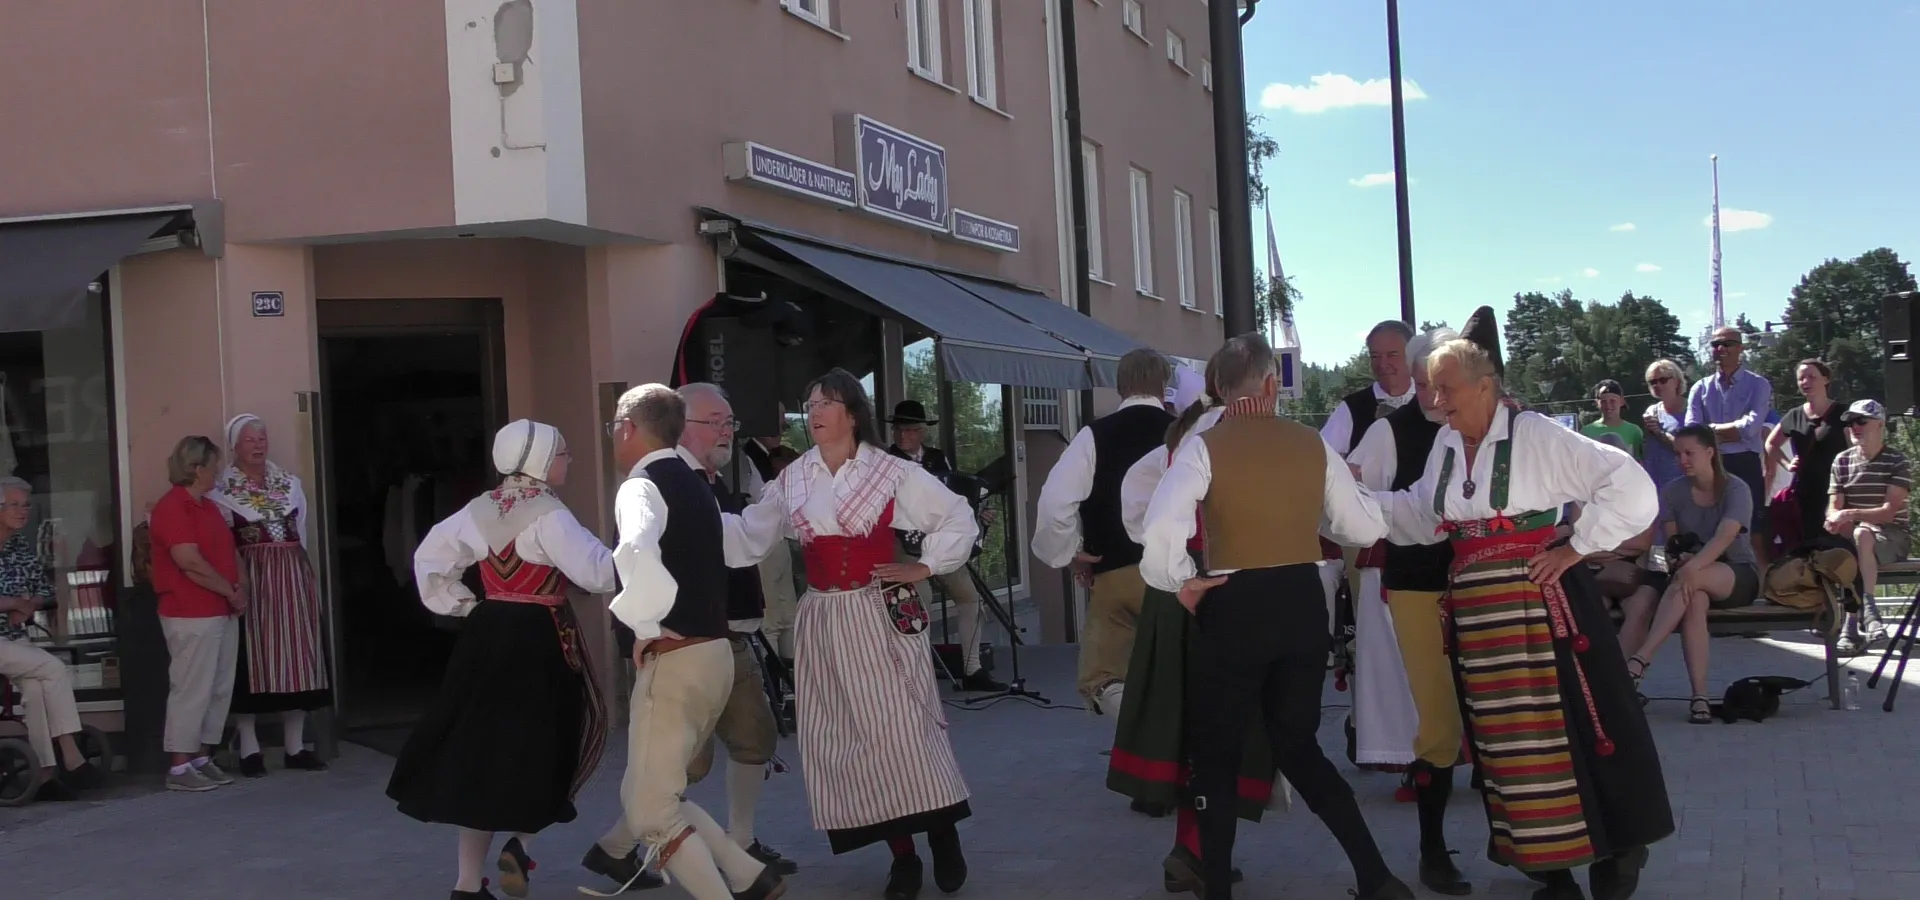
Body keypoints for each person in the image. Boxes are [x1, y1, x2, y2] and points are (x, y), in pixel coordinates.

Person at [1382, 307, 1672, 900]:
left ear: (1486, 386)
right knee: (1508, 743)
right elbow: (1415, 515)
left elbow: (1632, 488)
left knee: (1575, 728)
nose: (1436, 401)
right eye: (1433, 389)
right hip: (1480, 617)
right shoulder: (1443, 444)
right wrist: (1337, 498)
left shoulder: (1536, 434)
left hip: (1543, 610)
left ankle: (1617, 857)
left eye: (1447, 389)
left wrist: (1578, 546)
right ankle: (1553, 870)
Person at [1141, 333, 1413, 900]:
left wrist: (1179, 583)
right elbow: (1361, 528)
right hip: (1299, 600)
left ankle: (1217, 886)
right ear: (1272, 384)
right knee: (1300, 745)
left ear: (1218, 387)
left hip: (1233, 601)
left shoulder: (1203, 446)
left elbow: (1162, 526)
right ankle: (1375, 874)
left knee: (1215, 752)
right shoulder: (1312, 444)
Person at [721, 370, 978, 900]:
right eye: (809, 402)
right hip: (824, 619)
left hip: (878, 612)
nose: (813, 411)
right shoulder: (792, 479)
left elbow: (958, 517)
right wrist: (691, 517)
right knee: (851, 740)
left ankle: (942, 830)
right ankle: (902, 855)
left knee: (904, 729)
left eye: (825, 402)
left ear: (852, 413)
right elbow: (748, 537)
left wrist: (924, 567)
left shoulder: (890, 472)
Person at [387, 419, 622, 900]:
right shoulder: (550, 515)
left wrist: (463, 606)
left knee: (481, 750)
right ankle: (521, 842)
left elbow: (430, 560)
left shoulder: (476, 509)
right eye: (562, 454)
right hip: (540, 638)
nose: (568, 461)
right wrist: (641, 551)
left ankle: (467, 884)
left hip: (487, 634)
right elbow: (599, 573)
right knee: (548, 743)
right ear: (537, 460)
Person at [586, 386, 784, 900]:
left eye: (614, 427)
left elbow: (633, 551)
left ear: (629, 427)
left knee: (652, 810)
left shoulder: (642, 485)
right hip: (715, 651)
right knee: (653, 795)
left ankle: (731, 888)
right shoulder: (698, 486)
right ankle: (746, 876)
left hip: (677, 656)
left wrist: (644, 625)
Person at [1111, 354, 1273, 895]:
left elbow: (1138, 503)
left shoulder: (1187, 432)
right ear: (1260, 385)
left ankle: (1194, 850)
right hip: (1218, 589)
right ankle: (1199, 853)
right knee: (1219, 728)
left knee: (1188, 725)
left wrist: (1169, 558)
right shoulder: (1233, 434)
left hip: (1178, 587)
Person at [1345, 326, 1472, 896]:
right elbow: (1341, 500)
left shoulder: (1488, 426)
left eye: (1436, 383)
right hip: (1419, 587)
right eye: (1422, 383)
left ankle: (1532, 845)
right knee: (1438, 722)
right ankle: (1432, 850)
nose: (1429, 394)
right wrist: (1386, 520)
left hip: (1485, 583)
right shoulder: (1387, 433)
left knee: (1498, 712)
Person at [675, 383, 798, 876]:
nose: (728, 431)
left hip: (729, 637)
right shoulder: (673, 482)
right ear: (680, 425)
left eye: (730, 423)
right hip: (686, 645)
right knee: (684, 762)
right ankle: (637, 848)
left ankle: (740, 841)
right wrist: (784, 495)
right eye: (715, 422)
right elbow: (740, 544)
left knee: (754, 737)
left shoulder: (706, 478)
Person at [1032, 348, 1176, 718]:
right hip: (1182, 574)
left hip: (1117, 574)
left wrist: (1069, 552)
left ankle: (1143, 744)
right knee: (1186, 670)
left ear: (1120, 386)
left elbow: (1054, 502)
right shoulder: (1188, 434)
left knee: (1102, 678)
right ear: (1165, 386)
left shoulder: (1094, 435)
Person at [207, 414, 331, 776]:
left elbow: (301, 532)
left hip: (291, 578)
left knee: (297, 659)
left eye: (262, 438)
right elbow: (221, 546)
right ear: (234, 445)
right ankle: (249, 748)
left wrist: (302, 577)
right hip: (254, 579)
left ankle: (295, 746)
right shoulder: (222, 492)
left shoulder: (290, 485)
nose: (258, 445)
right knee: (252, 659)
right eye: (249, 440)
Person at [1620, 425, 1762, 724]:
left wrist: (1690, 565)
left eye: (1689, 453)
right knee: (1694, 598)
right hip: (1691, 579)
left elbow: (1725, 538)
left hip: (1736, 573)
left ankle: (1641, 658)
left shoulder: (1736, 489)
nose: (1682, 460)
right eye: (1678, 454)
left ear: (1710, 453)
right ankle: (1699, 698)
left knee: (1690, 579)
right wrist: (1680, 559)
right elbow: (1673, 545)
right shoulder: (1673, 491)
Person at [886, 400, 1005, 693]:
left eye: (910, 430)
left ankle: (972, 668)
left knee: (969, 599)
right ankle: (916, 671)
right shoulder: (885, 461)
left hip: (938, 542)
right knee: (918, 600)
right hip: (904, 542)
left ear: (922, 431)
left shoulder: (938, 460)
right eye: (899, 430)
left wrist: (978, 512)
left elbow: (955, 497)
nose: (903, 436)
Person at [150, 435, 245, 794]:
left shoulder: (207, 507)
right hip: (190, 611)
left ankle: (202, 758)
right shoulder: (173, 507)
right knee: (192, 688)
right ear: (196, 467)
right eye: (214, 464)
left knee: (218, 689)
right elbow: (188, 562)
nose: (218, 470)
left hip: (220, 609)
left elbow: (230, 552)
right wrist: (229, 591)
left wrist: (240, 590)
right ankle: (179, 766)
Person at [0, 477, 104, 797]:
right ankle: (70, 754)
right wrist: (15, 603)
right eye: (15, 505)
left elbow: (44, 592)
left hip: (13, 638)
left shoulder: (19, 546)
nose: (23, 511)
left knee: (35, 688)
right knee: (52, 668)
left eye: (26, 505)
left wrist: (30, 604)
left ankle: (44, 774)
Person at [1686, 325, 1774, 566]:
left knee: (1752, 527)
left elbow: (1751, 428)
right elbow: (1693, 431)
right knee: (1710, 525)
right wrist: (1729, 432)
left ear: (1740, 348)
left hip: (1745, 462)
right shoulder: (1700, 387)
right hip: (1711, 465)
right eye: (1715, 344)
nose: (1720, 349)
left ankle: (1761, 587)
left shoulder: (1758, 384)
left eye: (1727, 344)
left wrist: (1710, 431)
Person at [1828, 399, 1909, 654]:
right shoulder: (1841, 461)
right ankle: (1864, 620)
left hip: (1892, 536)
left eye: (1861, 421)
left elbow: (1888, 513)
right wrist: (1832, 518)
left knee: (1860, 535)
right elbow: (1833, 506)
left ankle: (1856, 620)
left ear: (1879, 424)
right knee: (1848, 542)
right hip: (1855, 537)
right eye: (1851, 422)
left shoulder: (1897, 460)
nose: (1855, 427)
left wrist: (1849, 514)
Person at [1764, 359, 1848, 553]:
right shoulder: (1795, 415)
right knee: (1807, 550)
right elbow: (1771, 443)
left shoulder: (1843, 413)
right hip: (1805, 495)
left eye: (1812, 377)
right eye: (1801, 378)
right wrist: (1787, 463)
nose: (1806, 382)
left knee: (1838, 549)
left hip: (1838, 492)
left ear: (1825, 379)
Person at [1639, 360, 1688, 489]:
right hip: (1655, 485)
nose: (1658, 385)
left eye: (1663, 380)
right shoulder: (1652, 412)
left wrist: (1659, 433)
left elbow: (1689, 450)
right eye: (1653, 382)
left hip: (1684, 485)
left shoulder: (1691, 410)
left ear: (1677, 381)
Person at [1583, 380, 1644, 459]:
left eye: (1612, 401)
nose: (1608, 405)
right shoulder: (1586, 432)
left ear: (1621, 401)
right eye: (1603, 401)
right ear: (1597, 403)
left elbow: (1639, 462)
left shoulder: (1634, 432)